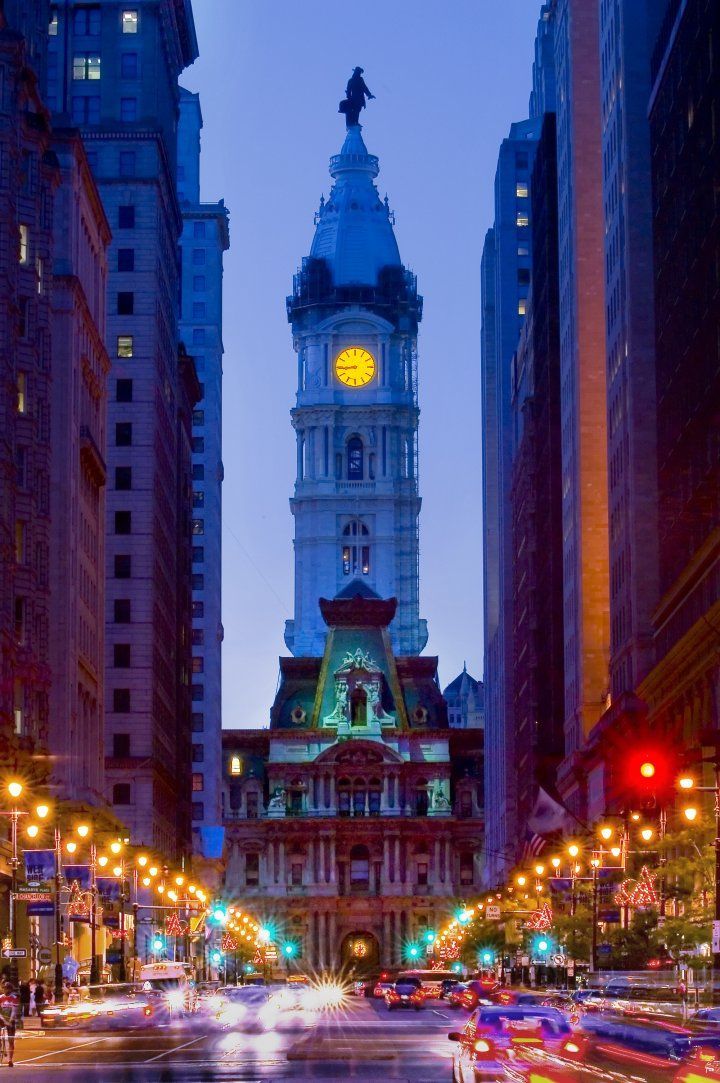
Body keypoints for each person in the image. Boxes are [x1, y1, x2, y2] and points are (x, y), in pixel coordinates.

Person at [0, 981, 18, 1067]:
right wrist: (4, 1021)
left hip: (10, 1020)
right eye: (3, 988)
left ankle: (10, 1060)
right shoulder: (0, 998)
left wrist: (10, 1021)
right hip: (2, 1019)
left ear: (10, 989)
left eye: (6, 988)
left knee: (11, 1041)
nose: (4, 989)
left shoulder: (14, 997)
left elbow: (14, 1011)